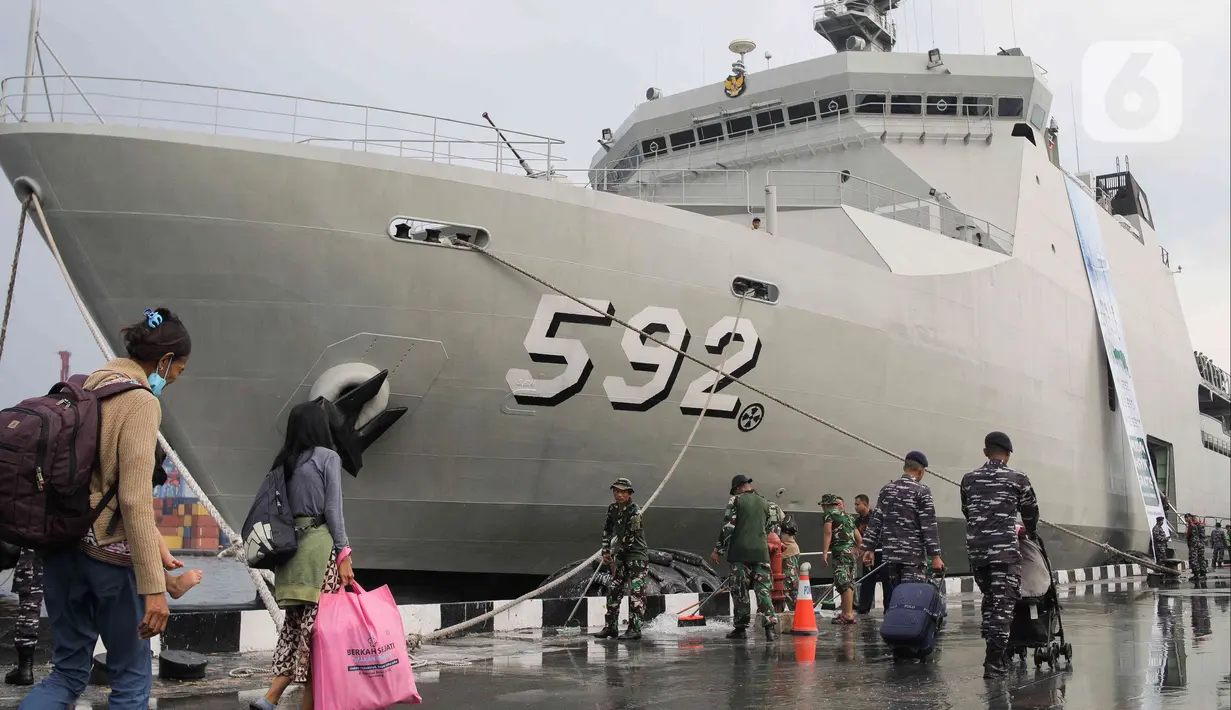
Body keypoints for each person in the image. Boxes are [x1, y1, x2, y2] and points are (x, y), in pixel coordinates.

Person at [20, 308, 192, 710]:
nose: (174, 380)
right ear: (164, 361)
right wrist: (154, 590)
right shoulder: (140, 402)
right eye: (178, 371)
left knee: (66, 675)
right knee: (131, 682)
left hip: (60, 549)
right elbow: (133, 499)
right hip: (109, 559)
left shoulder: (83, 386)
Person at [252, 399, 355, 710]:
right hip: (319, 554)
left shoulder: (283, 462)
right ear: (318, 426)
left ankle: (270, 698)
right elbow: (333, 511)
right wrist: (344, 553)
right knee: (321, 639)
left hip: (290, 556)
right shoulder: (328, 458)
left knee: (297, 628)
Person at [960, 432, 1039, 679]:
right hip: (1004, 554)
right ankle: (994, 663)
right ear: (1008, 454)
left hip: (978, 553)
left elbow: (966, 510)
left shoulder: (968, 479)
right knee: (1004, 607)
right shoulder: (1018, 478)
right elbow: (1030, 513)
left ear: (985, 451)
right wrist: (1030, 532)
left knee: (990, 600)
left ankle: (995, 650)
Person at [861, 451, 945, 612]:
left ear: (905, 467)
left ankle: (895, 628)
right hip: (912, 558)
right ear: (921, 471)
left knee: (895, 596)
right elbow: (928, 526)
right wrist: (935, 556)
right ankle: (908, 630)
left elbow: (876, 520)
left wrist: (869, 548)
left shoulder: (886, 490)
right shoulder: (922, 491)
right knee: (912, 598)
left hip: (890, 556)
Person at [710, 474, 779, 640]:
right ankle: (770, 628)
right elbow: (772, 527)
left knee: (740, 592)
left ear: (738, 488)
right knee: (763, 591)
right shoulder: (767, 503)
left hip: (740, 554)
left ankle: (740, 629)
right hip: (761, 554)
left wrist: (718, 550)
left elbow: (728, 527)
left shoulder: (736, 501)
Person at [594, 477, 649, 641]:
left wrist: (616, 561)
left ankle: (635, 629)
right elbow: (607, 530)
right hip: (622, 557)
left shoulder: (635, 512)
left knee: (636, 594)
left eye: (623, 492)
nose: (619, 495)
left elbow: (629, 540)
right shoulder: (613, 509)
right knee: (614, 591)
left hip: (636, 557)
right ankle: (611, 627)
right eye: (616, 491)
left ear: (629, 493)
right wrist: (605, 551)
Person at [819, 494, 861, 624]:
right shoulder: (848, 516)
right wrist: (859, 551)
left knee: (843, 581)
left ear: (826, 505)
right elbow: (858, 536)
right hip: (851, 552)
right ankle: (845, 612)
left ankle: (847, 615)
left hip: (840, 551)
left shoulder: (829, 514)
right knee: (849, 580)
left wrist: (825, 552)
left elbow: (828, 533)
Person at [853, 493, 886, 615]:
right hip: (867, 553)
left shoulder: (874, 518)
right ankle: (864, 607)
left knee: (886, 580)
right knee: (867, 580)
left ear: (865, 504)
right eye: (855, 504)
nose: (855, 507)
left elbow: (881, 533)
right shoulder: (857, 521)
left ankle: (888, 607)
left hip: (880, 552)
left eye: (858, 504)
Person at [779, 514, 801, 608]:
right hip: (788, 552)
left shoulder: (775, 514)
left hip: (787, 553)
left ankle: (797, 611)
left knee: (790, 584)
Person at [1184, 514, 1207, 581]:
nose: (1186, 519)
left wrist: (1193, 546)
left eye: (1187, 517)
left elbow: (1194, 537)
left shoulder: (1193, 525)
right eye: (1185, 518)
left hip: (1195, 545)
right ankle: (1201, 574)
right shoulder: (1197, 525)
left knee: (1194, 559)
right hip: (1199, 545)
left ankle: (1197, 574)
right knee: (1200, 559)